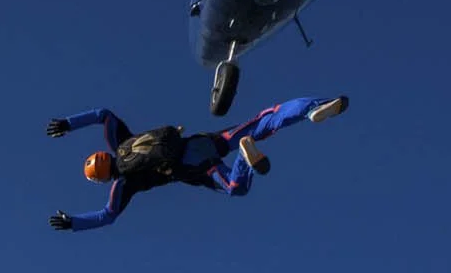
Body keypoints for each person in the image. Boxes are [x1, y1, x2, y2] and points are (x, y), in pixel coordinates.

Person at [47, 94, 348, 232]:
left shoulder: (124, 184)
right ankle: (312, 108)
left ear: (102, 178)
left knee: (236, 187)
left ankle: (244, 158)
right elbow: (103, 113)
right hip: (201, 142)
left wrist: (74, 223)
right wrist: (67, 123)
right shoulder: (120, 141)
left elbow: (107, 216)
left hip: (196, 166)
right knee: (262, 122)